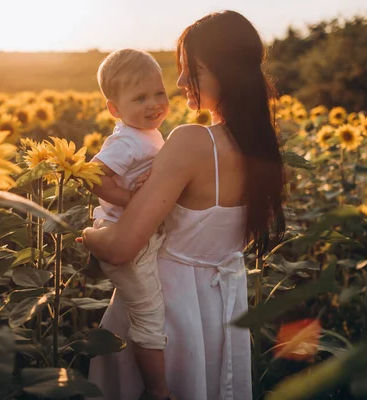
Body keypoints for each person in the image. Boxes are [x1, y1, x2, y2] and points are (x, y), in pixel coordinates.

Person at [82, 10, 285, 400]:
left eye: (190, 69)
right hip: (224, 308)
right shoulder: (263, 148)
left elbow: (122, 247)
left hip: (170, 307)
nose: (178, 82)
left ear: (222, 72)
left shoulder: (193, 142)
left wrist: (88, 235)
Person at [86, 48, 173, 400]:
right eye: (140, 98)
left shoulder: (146, 132)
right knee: (150, 317)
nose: (154, 104)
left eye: (160, 93)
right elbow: (93, 176)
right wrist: (131, 201)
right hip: (126, 238)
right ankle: (156, 392)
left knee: (140, 309)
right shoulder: (127, 140)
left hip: (136, 235)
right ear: (114, 109)